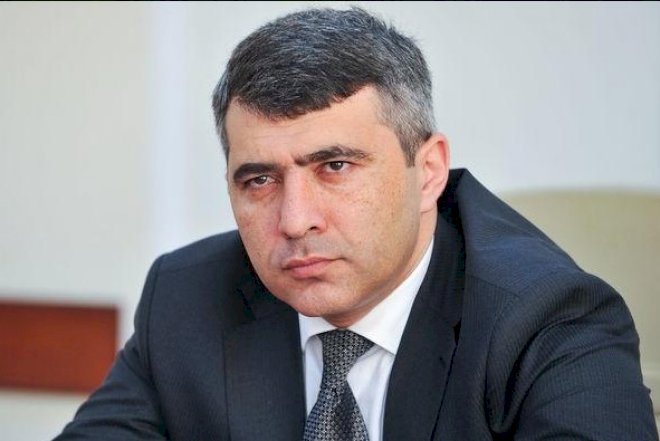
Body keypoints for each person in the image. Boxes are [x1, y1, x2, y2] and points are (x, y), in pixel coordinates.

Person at [54, 7, 658, 441]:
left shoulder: (546, 317)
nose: (295, 221)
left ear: (428, 171)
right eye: (259, 180)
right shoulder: (187, 298)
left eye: (335, 166)